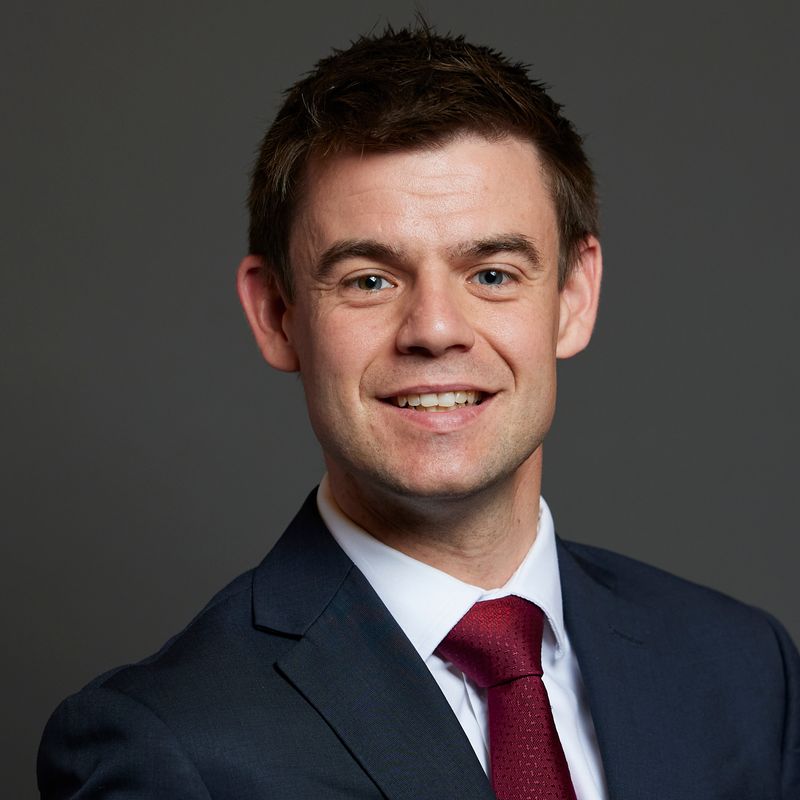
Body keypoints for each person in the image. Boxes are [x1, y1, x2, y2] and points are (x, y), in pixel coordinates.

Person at [38, 24, 799, 800]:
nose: (435, 329)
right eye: (369, 280)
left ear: (574, 297)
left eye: (493, 273)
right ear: (275, 315)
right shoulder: (166, 745)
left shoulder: (745, 671)